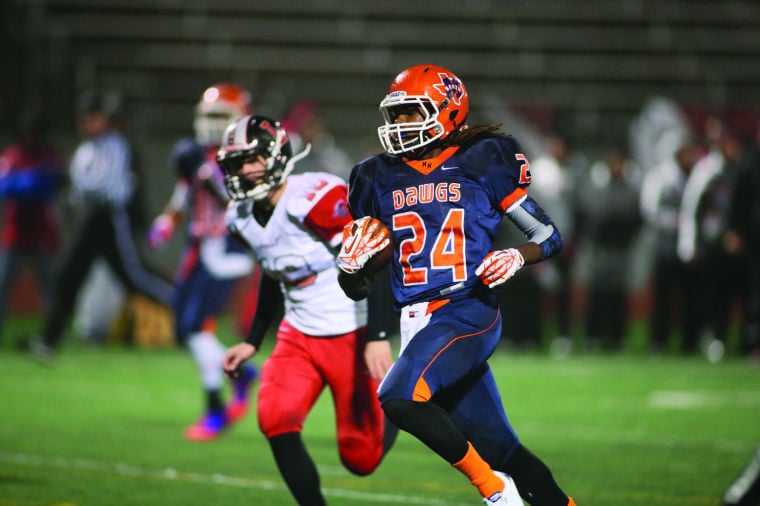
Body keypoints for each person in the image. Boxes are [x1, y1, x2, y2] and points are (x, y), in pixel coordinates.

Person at [336, 64, 575, 506]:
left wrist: (515, 255)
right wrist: (350, 272)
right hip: (415, 323)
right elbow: (359, 289)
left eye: (413, 112)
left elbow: (548, 236)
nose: (402, 124)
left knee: (399, 397)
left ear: (447, 111)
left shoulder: (484, 158)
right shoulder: (374, 175)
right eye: (398, 114)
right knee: (503, 450)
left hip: (467, 308)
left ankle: (494, 491)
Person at [218, 114, 397, 506]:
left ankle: (403, 404)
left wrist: (379, 336)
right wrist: (252, 340)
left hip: (352, 333)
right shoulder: (240, 216)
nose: (246, 171)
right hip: (299, 335)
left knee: (360, 459)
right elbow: (273, 269)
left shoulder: (315, 198)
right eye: (237, 163)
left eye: (253, 159)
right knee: (275, 416)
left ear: (277, 154)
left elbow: (375, 260)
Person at [21, 89, 173, 361]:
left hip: (111, 218)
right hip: (90, 220)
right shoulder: (84, 151)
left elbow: (101, 185)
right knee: (70, 278)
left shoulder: (116, 145)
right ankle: (49, 338)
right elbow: (77, 191)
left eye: (95, 118)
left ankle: (185, 309)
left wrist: (65, 184)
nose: (90, 124)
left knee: (134, 278)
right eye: (86, 119)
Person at [146, 83, 258, 441]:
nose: (212, 124)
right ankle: (242, 371)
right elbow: (184, 192)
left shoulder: (249, 155)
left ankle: (214, 409)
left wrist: (215, 180)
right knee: (183, 329)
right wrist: (169, 220)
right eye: (209, 116)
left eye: (220, 117)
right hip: (197, 246)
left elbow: (241, 200)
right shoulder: (191, 153)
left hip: (228, 248)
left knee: (196, 327)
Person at [0, 110, 65, 337]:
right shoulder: (13, 156)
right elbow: (3, 186)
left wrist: (29, 183)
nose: (31, 139)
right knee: (2, 285)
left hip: (42, 235)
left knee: (50, 288)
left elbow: (53, 183)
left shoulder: (49, 156)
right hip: (15, 235)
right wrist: (27, 182)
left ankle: (53, 333)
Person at [581, 149, 642, 351]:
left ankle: (618, 337)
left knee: (618, 295)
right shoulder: (600, 191)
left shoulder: (630, 192)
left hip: (620, 250)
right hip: (601, 249)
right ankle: (593, 336)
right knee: (598, 294)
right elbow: (590, 218)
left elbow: (637, 220)